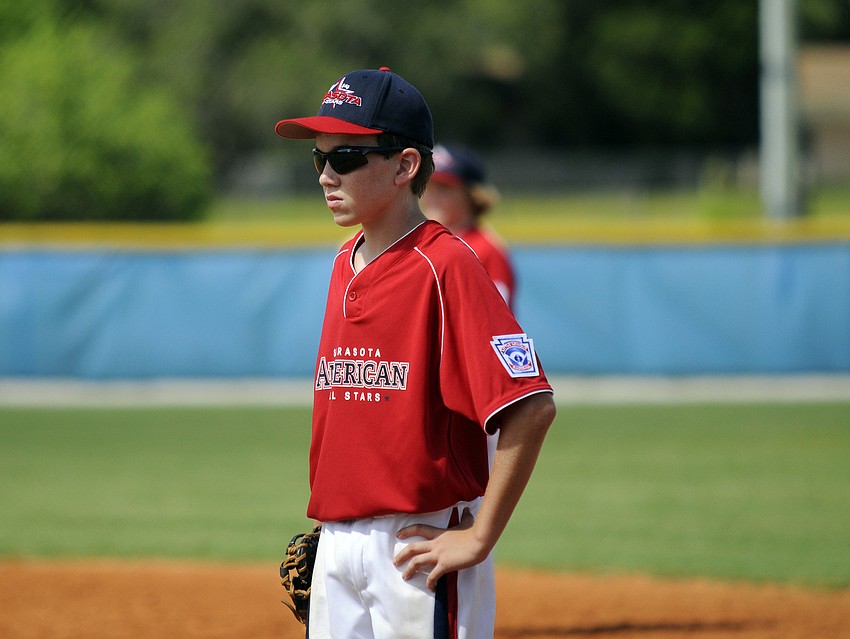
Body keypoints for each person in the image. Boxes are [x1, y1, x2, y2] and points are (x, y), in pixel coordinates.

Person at [275, 67, 556, 639]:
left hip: (417, 544)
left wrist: (479, 538)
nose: (327, 174)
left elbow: (531, 406)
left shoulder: (446, 264)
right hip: (337, 540)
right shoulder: (341, 263)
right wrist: (340, 544)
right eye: (319, 158)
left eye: (346, 156)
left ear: (405, 166)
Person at [422, 144, 516, 309]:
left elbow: (495, 319)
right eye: (428, 185)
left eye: (444, 188)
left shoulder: (486, 250)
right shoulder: (420, 242)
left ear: (472, 195)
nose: (432, 196)